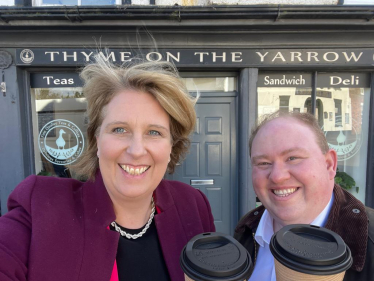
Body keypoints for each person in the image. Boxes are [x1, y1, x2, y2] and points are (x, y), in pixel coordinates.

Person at [0, 56, 215, 281]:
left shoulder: (192, 204)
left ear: (172, 146)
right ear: (97, 141)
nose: (136, 150)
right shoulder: (42, 207)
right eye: (120, 129)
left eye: (154, 132)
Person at [234, 111, 374, 281]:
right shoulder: (246, 229)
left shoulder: (369, 242)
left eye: (292, 158)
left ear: (329, 164)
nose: (277, 176)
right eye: (263, 163)